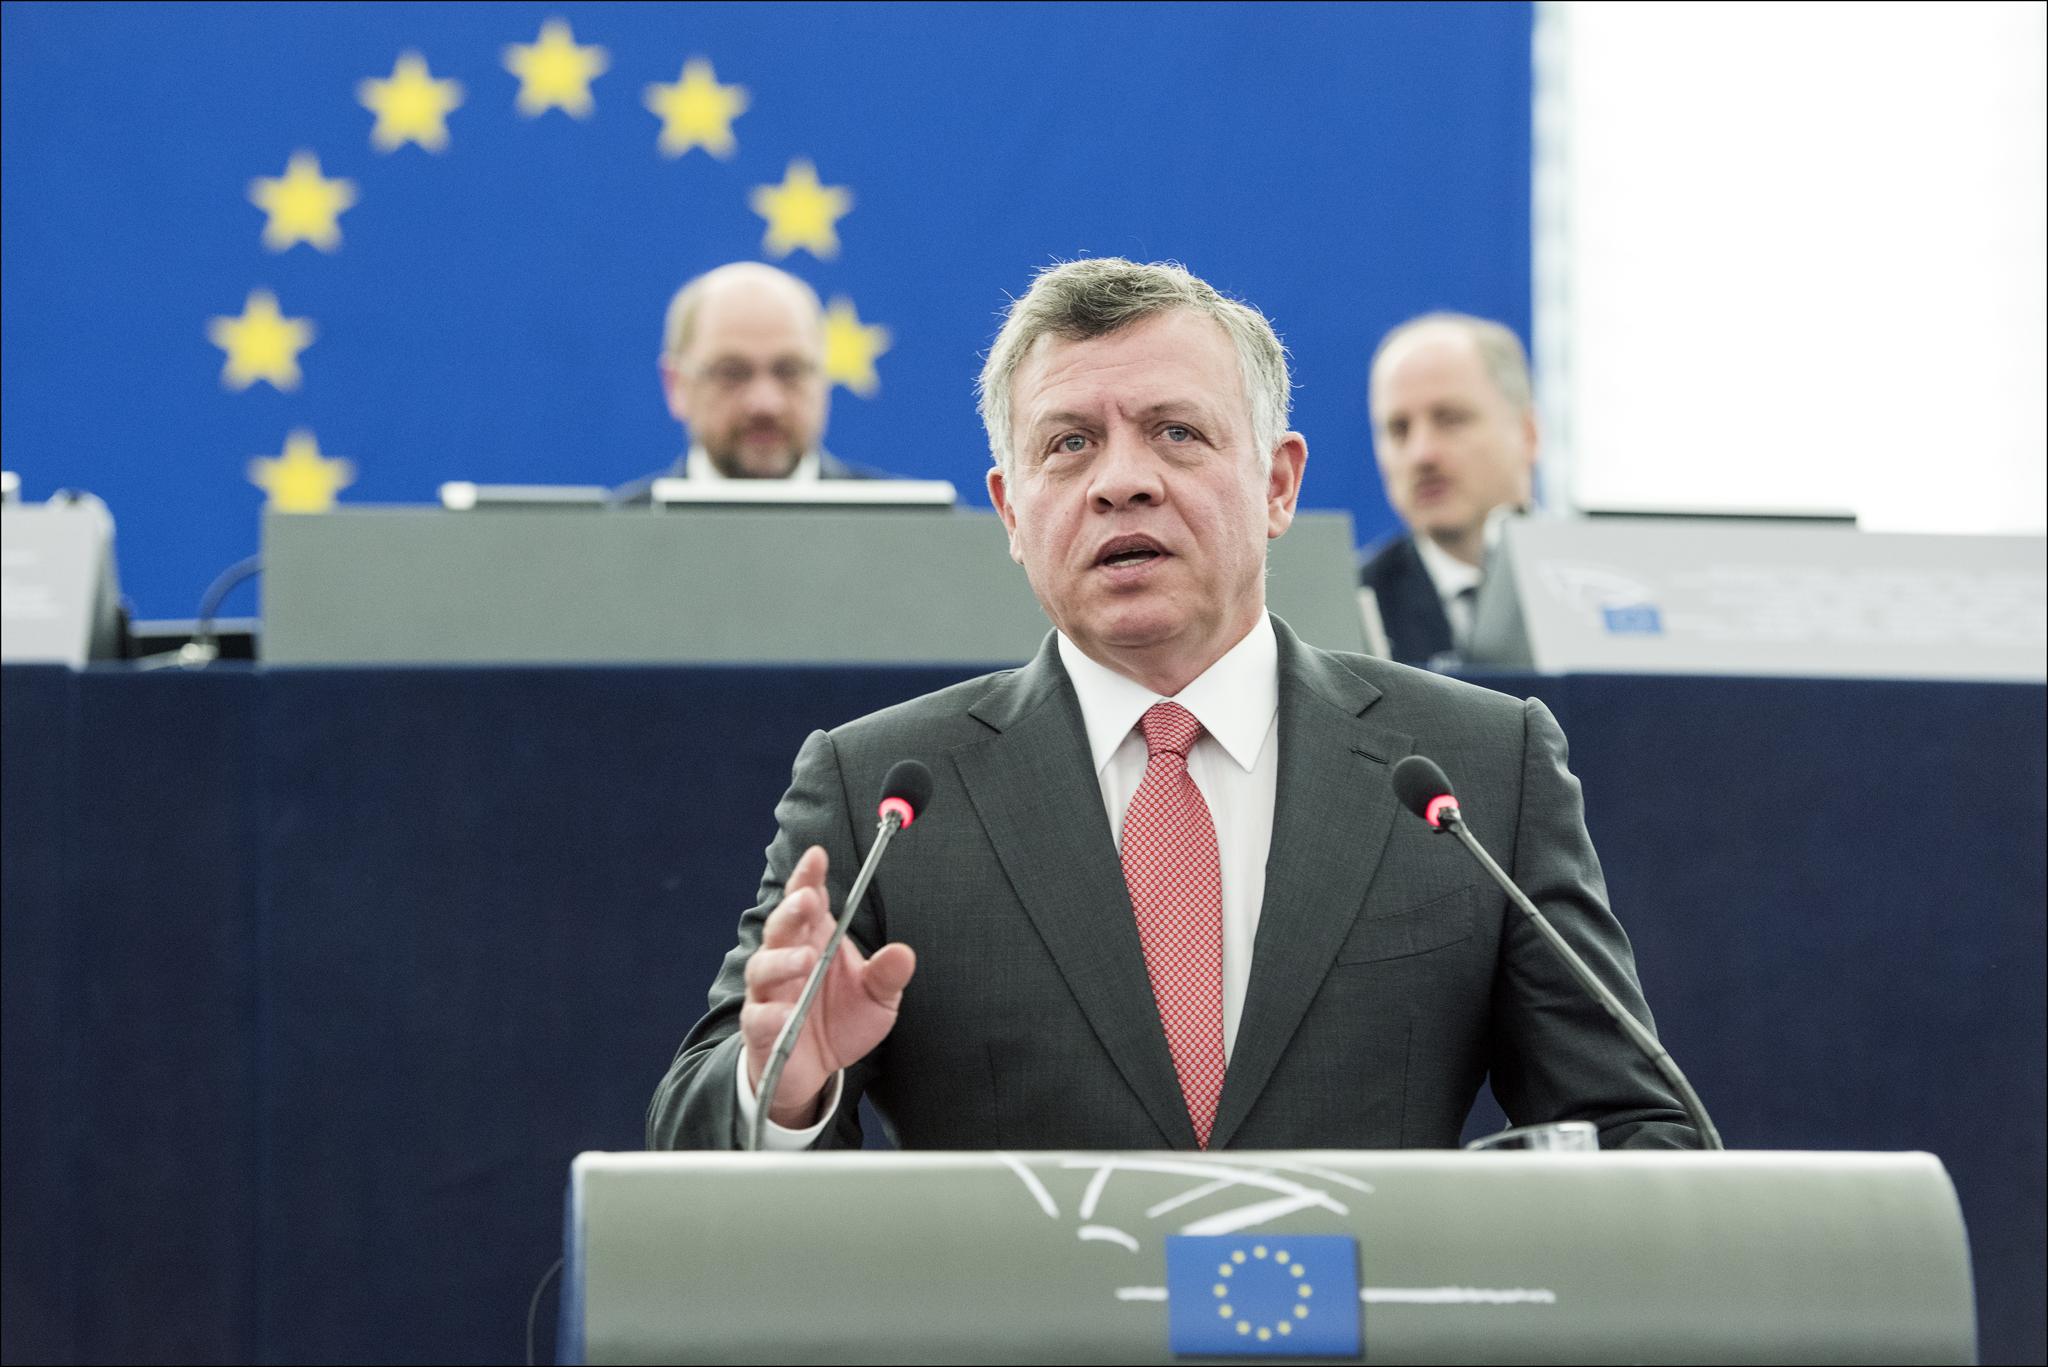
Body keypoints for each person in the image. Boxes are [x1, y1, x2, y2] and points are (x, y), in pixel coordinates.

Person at [647, 259, 1698, 1152]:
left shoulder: (1474, 767)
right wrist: (781, 1085)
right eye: (1067, 443)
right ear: (1011, 511)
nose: (1120, 482)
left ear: (1278, 484)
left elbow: (1637, 1126)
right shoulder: (879, 793)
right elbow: (688, 1126)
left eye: (1175, 433)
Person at [611, 262, 887, 502]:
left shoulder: (910, 536)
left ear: (822, 378)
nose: (765, 404)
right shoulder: (609, 545)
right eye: (732, 373)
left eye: (789, 371)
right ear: (677, 385)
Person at [1359, 313, 1538, 668]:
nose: (1421, 454)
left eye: (1451, 419)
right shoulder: (1351, 605)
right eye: (1399, 429)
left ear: (1528, 435)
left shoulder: (1604, 586)